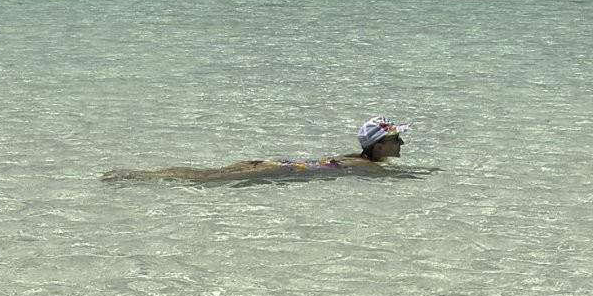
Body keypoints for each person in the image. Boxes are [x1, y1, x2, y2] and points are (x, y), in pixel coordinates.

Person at [103, 117, 411, 183]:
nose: (401, 144)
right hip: (280, 168)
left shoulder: (355, 158)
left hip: (280, 163)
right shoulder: (369, 167)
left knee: (204, 174)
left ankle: (134, 174)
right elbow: (404, 177)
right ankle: (134, 176)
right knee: (203, 179)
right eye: (396, 139)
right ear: (378, 145)